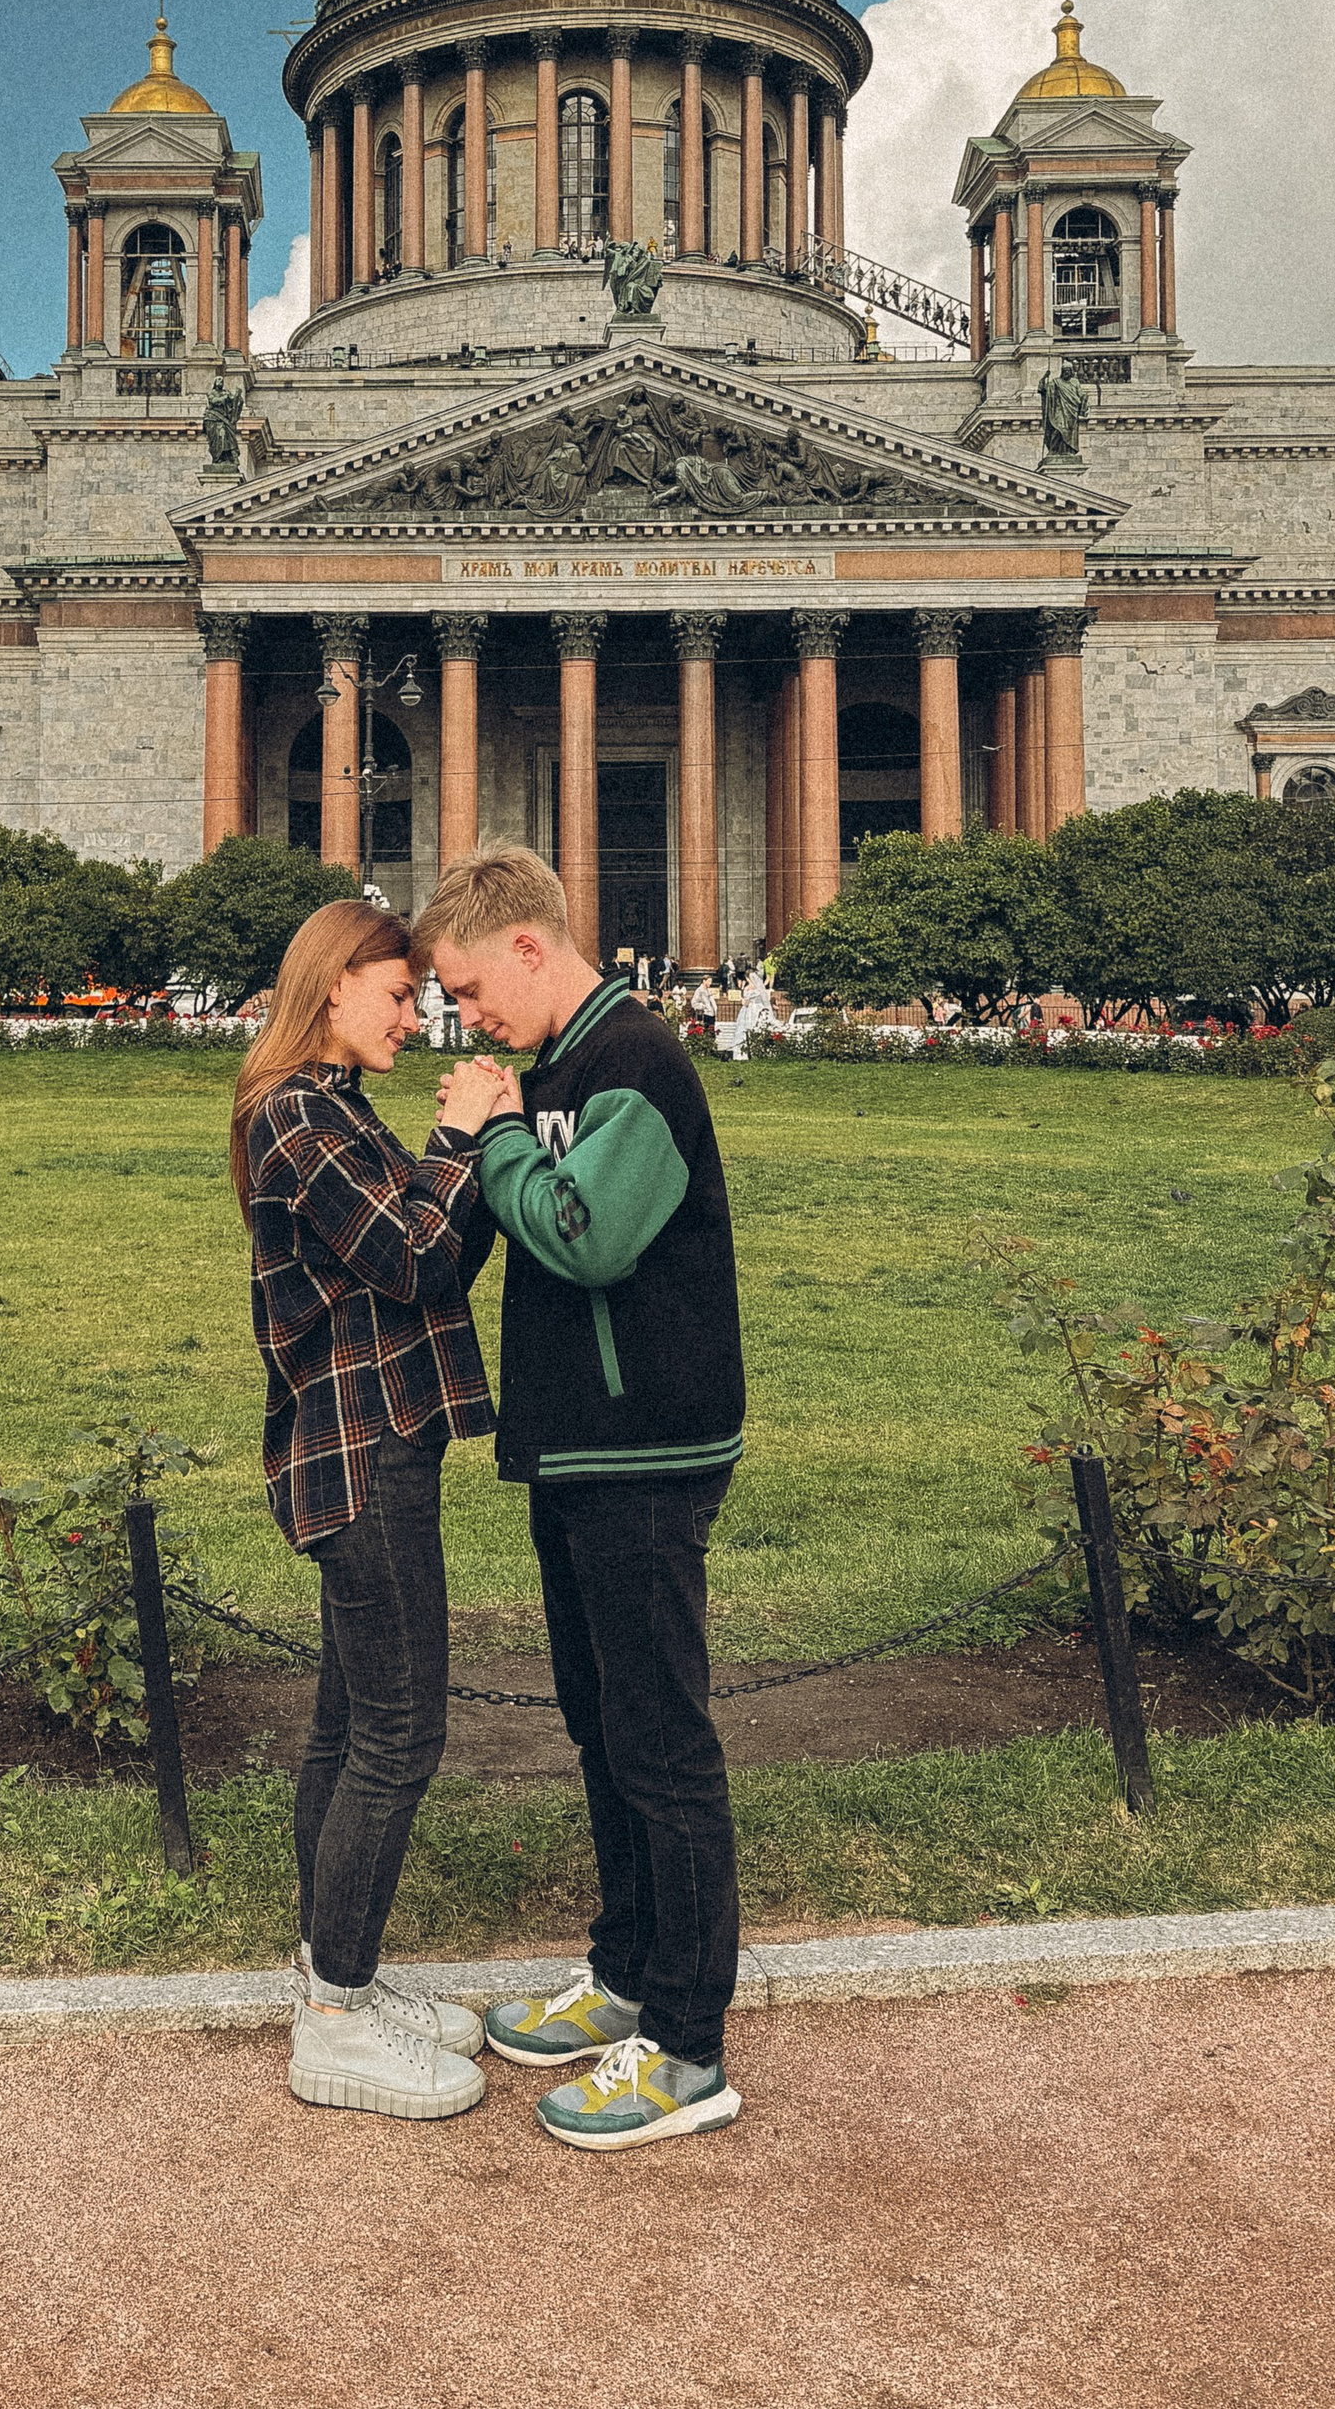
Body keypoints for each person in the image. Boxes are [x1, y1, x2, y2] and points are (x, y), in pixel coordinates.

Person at [414, 845, 746, 2150]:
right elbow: (482, 1231)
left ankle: (690, 2044)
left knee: (661, 1738)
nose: (466, 1016)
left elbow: (587, 1233)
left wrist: (494, 1129)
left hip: (648, 1449)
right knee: (603, 1725)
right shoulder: (555, 1074)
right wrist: (469, 1135)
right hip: (578, 1447)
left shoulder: (636, 1064)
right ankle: (626, 1974)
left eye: (472, 990)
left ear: (533, 948)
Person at [231, 898, 517, 2122]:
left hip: (367, 1441)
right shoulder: (300, 1112)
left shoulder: (330, 1107)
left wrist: (474, 1155)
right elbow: (417, 1258)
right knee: (398, 1735)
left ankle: (331, 1973)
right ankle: (336, 2014)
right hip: (361, 1452)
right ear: (332, 987)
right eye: (397, 994)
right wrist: (463, 1136)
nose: (416, 1013)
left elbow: (438, 1244)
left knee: (348, 1730)